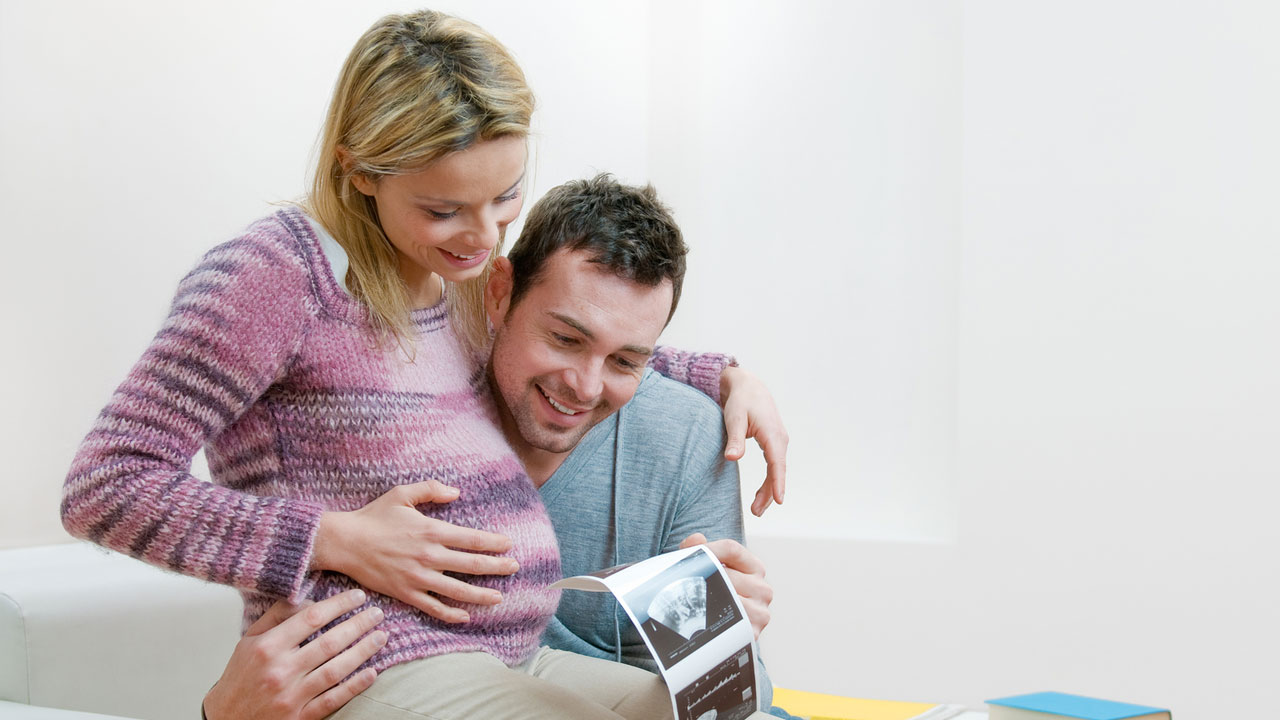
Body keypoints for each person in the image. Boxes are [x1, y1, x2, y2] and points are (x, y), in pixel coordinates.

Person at [60, 10, 785, 720]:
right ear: (360, 169)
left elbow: (578, 334)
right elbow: (105, 485)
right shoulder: (277, 276)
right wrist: (337, 537)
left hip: (507, 655)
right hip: (377, 662)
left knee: (722, 706)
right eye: (445, 209)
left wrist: (723, 375)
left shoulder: (447, 281)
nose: (481, 238)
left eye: (505, 197)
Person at [203, 175, 790, 719]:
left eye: (625, 360)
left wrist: (721, 639)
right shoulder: (419, 380)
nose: (584, 386)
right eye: (564, 338)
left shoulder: (688, 434)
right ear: (499, 294)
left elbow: (734, 700)